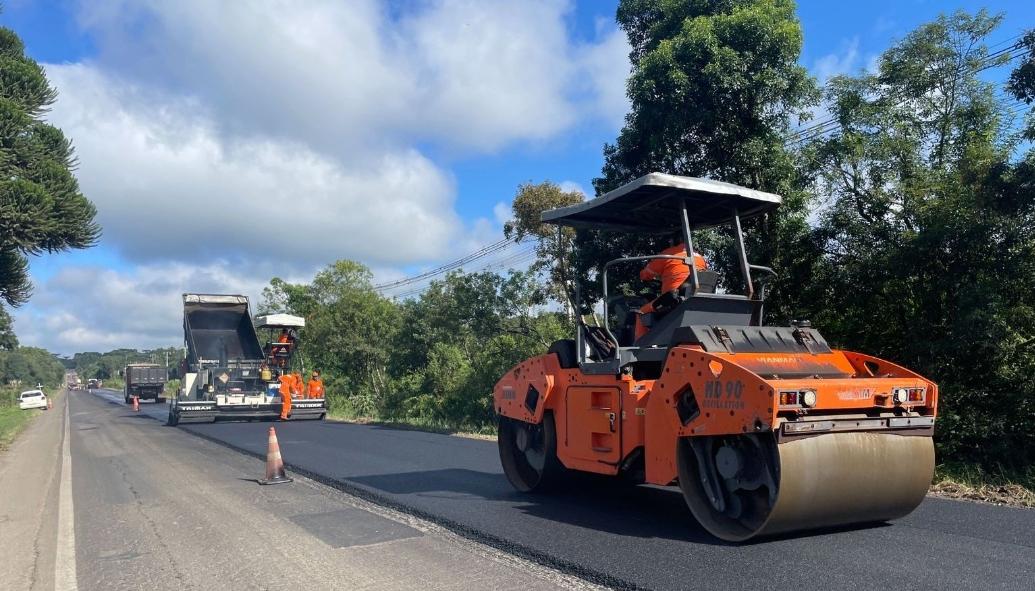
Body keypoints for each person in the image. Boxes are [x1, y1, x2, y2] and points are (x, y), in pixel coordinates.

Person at [635, 236, 708, 340]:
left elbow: (646, 274)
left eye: (670, 240)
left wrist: (643, 273)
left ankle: (638, 347)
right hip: (697, 299)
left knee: (641, 313)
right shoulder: (700, 258)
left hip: (672, 301)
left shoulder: (668, 254)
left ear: (674, 241)